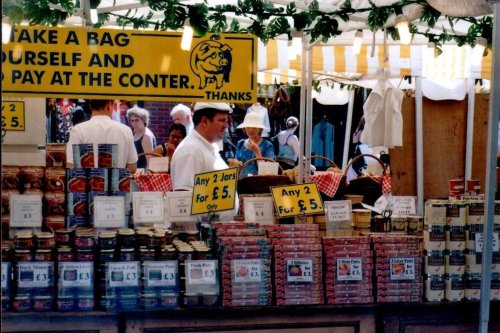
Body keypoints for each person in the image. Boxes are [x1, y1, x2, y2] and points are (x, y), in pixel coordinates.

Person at [170, 102, 237, 220]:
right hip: (204, 233)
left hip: (218, 232)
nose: (226, 125)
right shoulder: (191, 150)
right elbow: (183, 202)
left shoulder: (206, 146)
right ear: (205, 121)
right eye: (221, 120)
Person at [66, 99, 138, 172]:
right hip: (116, 182)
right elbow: (132, 168)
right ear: (109, 105)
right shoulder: (126, 130)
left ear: (90, 106)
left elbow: (71, 166)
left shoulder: (77, 130)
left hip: (88, 182)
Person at [232, 112, 275, 178]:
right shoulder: (240, 143)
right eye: (248, 127)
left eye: (254, 127)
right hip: (241, 183)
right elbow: (236, 164)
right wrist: (236, 163)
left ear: (260, 129)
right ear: (244, 128)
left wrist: (257, 152)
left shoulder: (267, 146)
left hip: (258, 184)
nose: (251, 129)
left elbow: (269, 172)